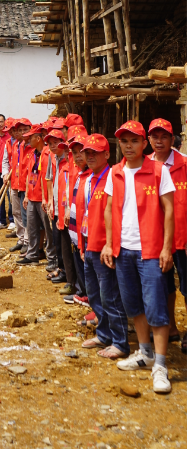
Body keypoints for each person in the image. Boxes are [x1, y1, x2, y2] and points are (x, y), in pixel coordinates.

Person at [102, 120, 175, 394]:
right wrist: (109, 244)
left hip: (151, 250)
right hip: (123, 250)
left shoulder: (157, 171)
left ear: (144, 144)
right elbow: (109, 210)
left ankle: (160, 365)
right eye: (124, 141)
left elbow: (169, 210)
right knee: (134, 305)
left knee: (156, 307)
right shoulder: (115, 172)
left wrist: (167, 248)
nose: (128, 145)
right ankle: (144, 353)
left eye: (134, 140)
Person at [79, 135, 129, 360]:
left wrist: (110, 245)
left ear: (107, 155)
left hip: (104, 248)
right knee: (94, 295)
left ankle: (120, 341)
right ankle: (103, 333)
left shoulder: (113, 178)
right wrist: (82, 243)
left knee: (110, 296)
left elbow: (116, 214)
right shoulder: (89, 179)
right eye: (87, 153)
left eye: (95, 153)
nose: (89, 157)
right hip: (90, 244)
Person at [148, 118, 187, 352]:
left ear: (173, 140)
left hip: (183, 238)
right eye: (155, 136)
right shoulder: (144, 166)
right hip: (155, 239)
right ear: (149, 140)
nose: (159, 141)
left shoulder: (185, 164)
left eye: (164, 136)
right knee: (163, 287)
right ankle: (171, 328)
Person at [46, 129, 77, 296]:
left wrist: (67, 210)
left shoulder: (70, 164)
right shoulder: (57, 160)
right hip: (59, 208)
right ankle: (67, 275)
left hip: (68, 211)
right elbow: (54, 184)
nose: (52, 146)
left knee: (70, 247)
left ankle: (73, 281)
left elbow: (69, 189)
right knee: (61, 243)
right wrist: (52, 203)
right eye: (49, 143)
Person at [20, 125, 56, 267]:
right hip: (32, 196)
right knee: (32, 227)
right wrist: (27, 195)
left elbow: (48, 178)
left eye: (30, 137)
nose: (28, 140)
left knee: (48, 229)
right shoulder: (33, 153)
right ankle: (32, 254)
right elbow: (30, 175)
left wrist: (47, 199)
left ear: (38, 138)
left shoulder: (49, 154)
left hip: (43, 198)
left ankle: (52, 259)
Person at [66, 129, 90, 306]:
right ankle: (82, 292)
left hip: (86, 233)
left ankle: (89, 296)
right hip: (76, 232)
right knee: (79, 263)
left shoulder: (92, 177)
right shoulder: (81, 174)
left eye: (82, 152)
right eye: (75, 153)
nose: (78, 156)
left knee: (88, 267)